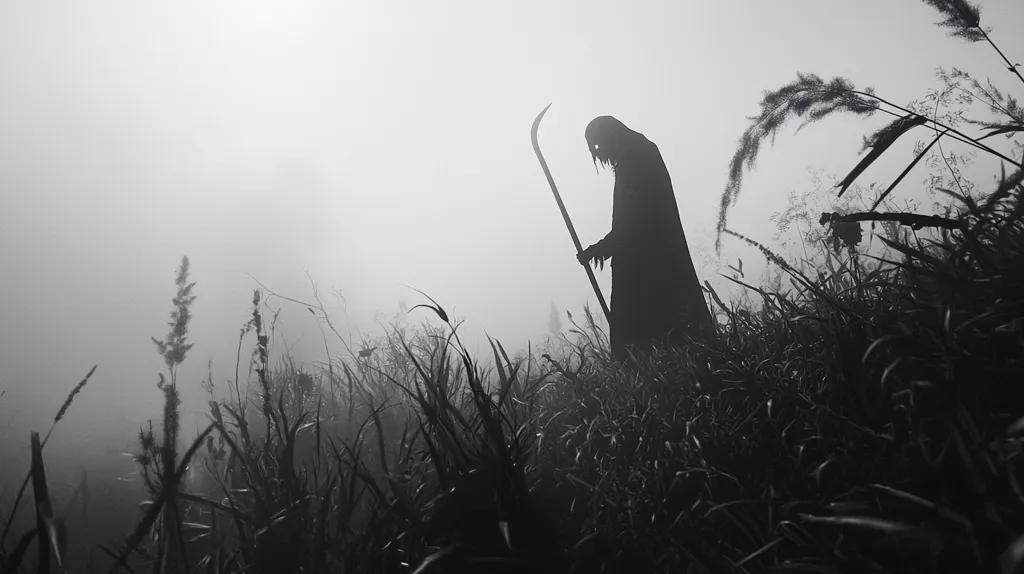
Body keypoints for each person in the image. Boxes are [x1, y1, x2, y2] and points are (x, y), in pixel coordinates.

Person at [577, 116, 713, 361]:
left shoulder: (635, 158)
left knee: (647, 333)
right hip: (649, 258)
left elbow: (635, 219)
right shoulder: (638, 152)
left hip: (649, 263)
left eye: (598, 147)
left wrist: (599, 249)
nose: (600, 155)